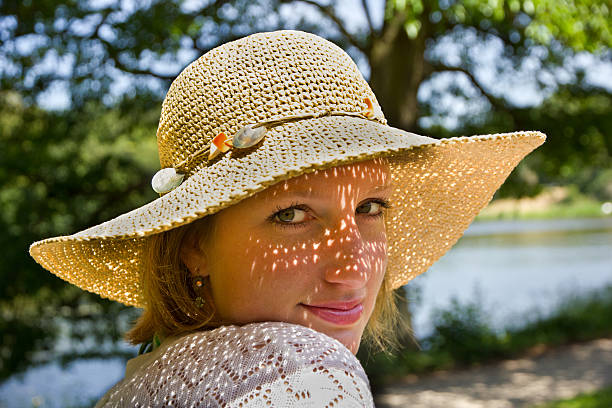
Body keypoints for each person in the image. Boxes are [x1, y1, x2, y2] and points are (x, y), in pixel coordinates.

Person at [29, 29, 545, 406]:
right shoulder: (300, 372)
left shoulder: (145, 380)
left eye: (370, 207)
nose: (353, 269)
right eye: (292, 214)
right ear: (193, 245)